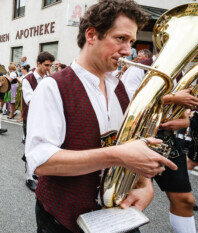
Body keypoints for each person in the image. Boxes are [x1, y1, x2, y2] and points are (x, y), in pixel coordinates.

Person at [25, 1, 177, 232]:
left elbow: (133, 145)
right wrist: (118, 155)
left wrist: (145, 185)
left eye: (132, 42)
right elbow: (41, 161)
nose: (129, 51)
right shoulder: (52, 87)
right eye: (121, 39)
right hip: (63, 220)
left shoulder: (122, 88)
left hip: (116, 217)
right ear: (92, 35)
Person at [22, 52, 54, 192]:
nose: (48, 68)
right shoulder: (27, 79)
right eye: (46, 65)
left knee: (43, 146)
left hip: (45, 117)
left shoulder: (49, 78)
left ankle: (35, 170)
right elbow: (31, 101)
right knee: (31, 146)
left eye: (50, 66)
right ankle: (29, 177)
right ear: (38, 64)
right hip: (30, 117)